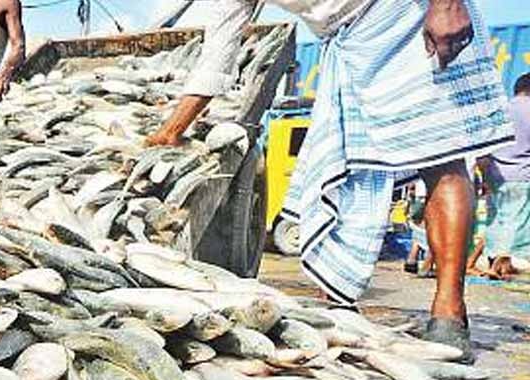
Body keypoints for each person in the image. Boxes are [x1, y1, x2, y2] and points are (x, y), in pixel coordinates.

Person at [147, 0, 512, 361]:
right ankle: (340, 298)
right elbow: (219, 51)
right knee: (346, 168)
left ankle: (448, 312)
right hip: (348, 43)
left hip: (408, 15)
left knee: (441, 156)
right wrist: (172, 129)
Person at [477, 74, 530, 280]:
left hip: (494, 172)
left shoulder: (500, 109)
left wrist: (483, 176)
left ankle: (495, 263)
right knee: (516, 221)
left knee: (495, 220)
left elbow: (483, 146)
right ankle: (501, 264)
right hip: (522, 173)